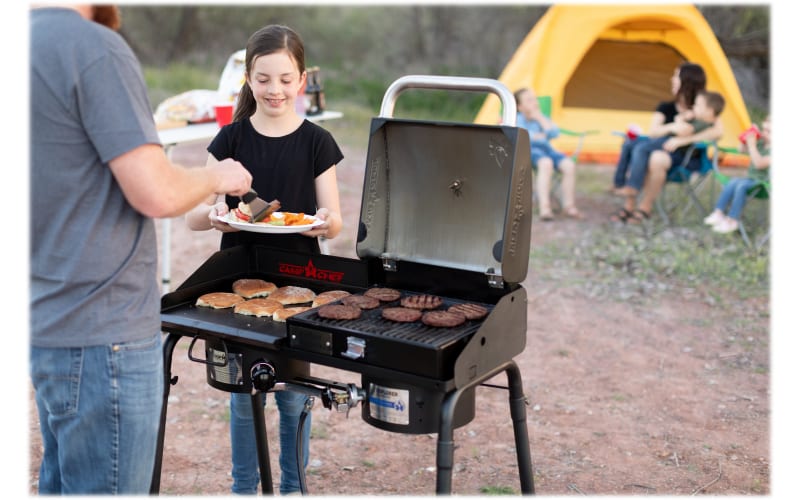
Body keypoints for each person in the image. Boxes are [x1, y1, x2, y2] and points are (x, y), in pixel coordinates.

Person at [29, 5, 253, 495]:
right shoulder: (94, 48)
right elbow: (156, 192)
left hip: (47, 325)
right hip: (104, 335)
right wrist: (217, 175)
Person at [185, 24, 343, 494]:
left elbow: (334, 222)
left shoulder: (317, 141)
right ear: (248, 79)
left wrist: (322, 222)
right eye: (264, 78)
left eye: (285, 78)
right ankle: (243, 488)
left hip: (300, 282)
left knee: (294, 397)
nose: (275, 89)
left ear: (301, 79)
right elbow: (193, 216)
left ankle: (293, 489)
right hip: (236, 279)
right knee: (242, 399)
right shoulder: (230, 140)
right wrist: (215, 216)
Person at [610, 62, 724, 224]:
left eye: (676, 76)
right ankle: (629, 205)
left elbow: (718, 131)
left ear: (687, 81)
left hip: (686, 158)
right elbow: (653, 132)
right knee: (648, 152)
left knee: (652, 155)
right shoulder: (666, 107)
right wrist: (673, 127)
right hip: (661, 151)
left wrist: (682, 140)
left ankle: (644, 208)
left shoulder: (703, 107)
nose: (672, 80)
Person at [615, 90, 726, 198]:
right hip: (667, 140)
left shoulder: (702, 123)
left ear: (709, 111)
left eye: (697, 105)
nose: (693, 107)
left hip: (670, 144)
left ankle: (633, 186)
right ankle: (618, 183)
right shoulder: (698, 119)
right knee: (630, 142)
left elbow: (684, 130)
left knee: (641, 149)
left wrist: (681, 119)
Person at [514, 87, 583, 221]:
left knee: (569, 165)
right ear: (520, 106)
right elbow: (523, 136)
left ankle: (569, 206)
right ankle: (545, 207)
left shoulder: (540, 117)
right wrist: (538, 135)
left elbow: (554, 133)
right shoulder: (518, 118)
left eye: (535, 99)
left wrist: (540, 118)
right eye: (529, 100)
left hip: (548, 150)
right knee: (546, 163)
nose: (534, 103)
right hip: (529, 151)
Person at [703, 115, 770, 234]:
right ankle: (719, 212)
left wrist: (752, 145)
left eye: (770, 132)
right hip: (751, 179)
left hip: (764, 183)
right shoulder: (760, 143)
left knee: (741, 186)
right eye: (764, 130)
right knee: (733, 181)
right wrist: (748, 136)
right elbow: (741, 150)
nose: (765, 133)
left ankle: (732, 220)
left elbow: (759, 164)